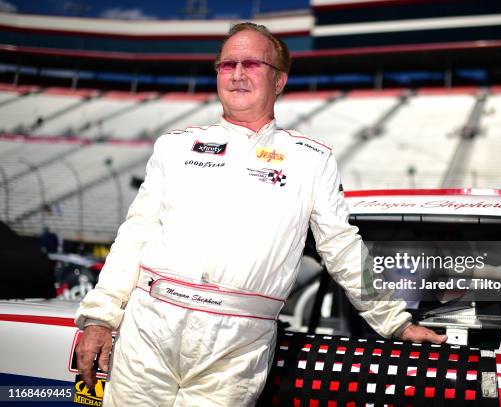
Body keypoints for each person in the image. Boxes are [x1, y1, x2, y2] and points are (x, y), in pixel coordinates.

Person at [75, 22, 446, 407]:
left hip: (237, 346)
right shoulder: (174, 147)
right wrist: (100, 318)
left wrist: (394, 321)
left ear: (279, 81)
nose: (236, 74)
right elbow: (135, 234)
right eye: (227, 64)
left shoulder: (312, 160)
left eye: (251, 64)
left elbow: (342, 247)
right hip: (147, 328)